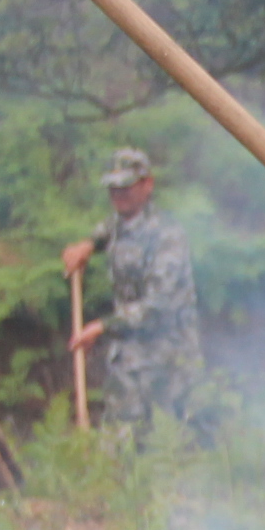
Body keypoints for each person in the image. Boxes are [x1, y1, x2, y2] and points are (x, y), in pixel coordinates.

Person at [62, 148, 205, 427]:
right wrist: (88, 245)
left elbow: (157, 306)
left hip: (168, 364)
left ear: (147, 184)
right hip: (128, 364)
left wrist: (102, 326)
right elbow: (106, 231)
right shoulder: (118, 224)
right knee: (119, 448)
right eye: (113, 188)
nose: (118, 194)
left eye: (126, 187)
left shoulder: (167, 236)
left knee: (167, 449)